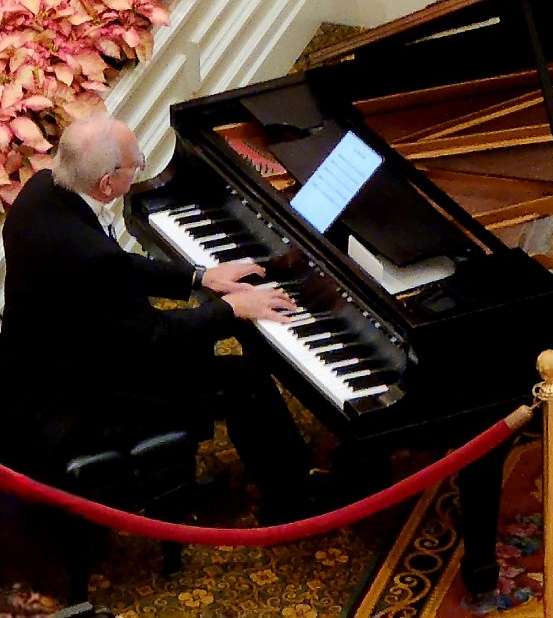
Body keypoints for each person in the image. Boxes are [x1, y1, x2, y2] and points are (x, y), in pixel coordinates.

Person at [0, 114, 327, 523]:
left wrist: (199, 276)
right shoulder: (87, 254)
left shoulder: (41, 192)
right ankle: (292, 502)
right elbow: (153, 337)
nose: (140, 166)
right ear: (106, 184)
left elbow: (119, 266)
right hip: (81, 397)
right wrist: (231, 310)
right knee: (245, 379)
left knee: (212, 350)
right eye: (135, 164)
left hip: (42, 363)